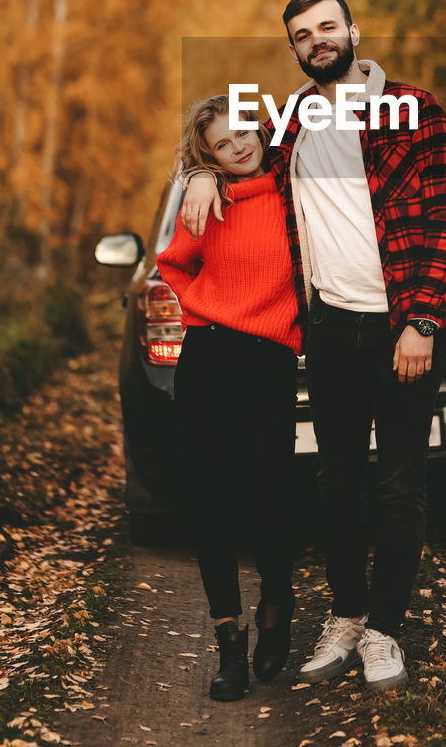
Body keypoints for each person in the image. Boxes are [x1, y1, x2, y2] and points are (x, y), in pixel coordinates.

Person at [182, 0, 446, 692]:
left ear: (352, 32)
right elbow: (231, 156)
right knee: (337, 481)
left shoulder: (413, 109)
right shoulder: (291, 123)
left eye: (327, 27)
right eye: (302, 34)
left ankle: (384, 634)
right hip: (333, 328)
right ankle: (344, 614)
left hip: (404, 322)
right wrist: (194, 175)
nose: (317, 40)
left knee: (400, 484)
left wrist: (422, 319)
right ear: (293, 49)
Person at [157, 95, 301, 702]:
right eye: (221, 144)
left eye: (245, 131)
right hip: (209, 359)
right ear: (207, 154)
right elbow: (172, 264)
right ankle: (229, 647)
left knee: (269, 501)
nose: (239, 145)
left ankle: (276, 604)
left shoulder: (294, 189)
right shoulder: (206, 204)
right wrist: (205, 308)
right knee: (212, 505)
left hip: (268, 360)